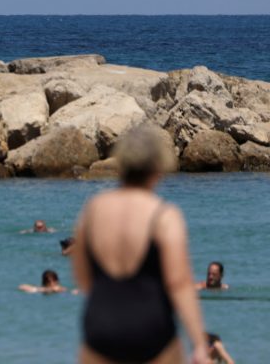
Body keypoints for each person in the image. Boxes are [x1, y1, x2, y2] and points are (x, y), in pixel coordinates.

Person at [72, 126, 209, 364]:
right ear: (158, 167)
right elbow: (179, 283)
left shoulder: (93, 210)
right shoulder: (164, 215)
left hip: (101, 327)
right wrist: (199, 343)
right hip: (152, 329)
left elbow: (83, 278)